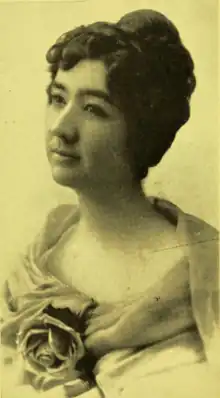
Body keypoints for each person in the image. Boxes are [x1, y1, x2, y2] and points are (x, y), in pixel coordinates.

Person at [1, 9, 219, 398]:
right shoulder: (33, 266)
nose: (60, 128)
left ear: (140, 131)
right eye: (57, 98)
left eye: (93, 109)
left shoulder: (206, 272)